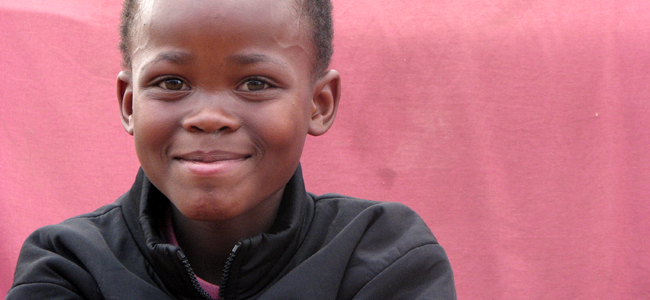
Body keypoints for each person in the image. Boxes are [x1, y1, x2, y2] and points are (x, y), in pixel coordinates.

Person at [7, 0, 456, 298]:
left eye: (255, 83)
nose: (208, 116)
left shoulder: (381, 255)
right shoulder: (70, 264)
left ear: (318, 104)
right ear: (129, 104)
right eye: (171, 83)